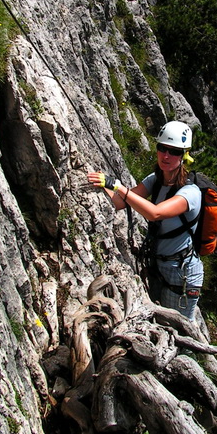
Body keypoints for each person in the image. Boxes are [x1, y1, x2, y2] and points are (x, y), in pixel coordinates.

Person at [87, 120, 203, 321]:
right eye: (162, 148)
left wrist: (119, 187)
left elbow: (155, 213)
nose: (166, 155)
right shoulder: (155, 179)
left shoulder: (190, 193)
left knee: (180, 330)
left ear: (184, 155)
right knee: (158, 323)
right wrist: (102, 184)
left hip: (182, 274)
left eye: (174, 151)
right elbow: (121, 202)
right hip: (157, 265)